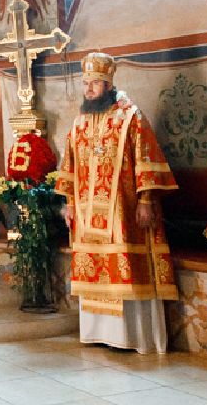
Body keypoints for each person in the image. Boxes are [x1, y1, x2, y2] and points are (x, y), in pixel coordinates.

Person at [58, 52, 178, 352]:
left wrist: (146, 200)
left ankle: (132, 336)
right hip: (87, 216)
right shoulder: (80, 122)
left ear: (108, 83)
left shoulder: (130, 117)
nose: (88, 89)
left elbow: (146, 159)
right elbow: (69, 165)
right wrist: (70, 203)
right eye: (86, 83)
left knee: (128, 266)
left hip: (123, 212)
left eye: (95, 83)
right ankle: (98, 332)